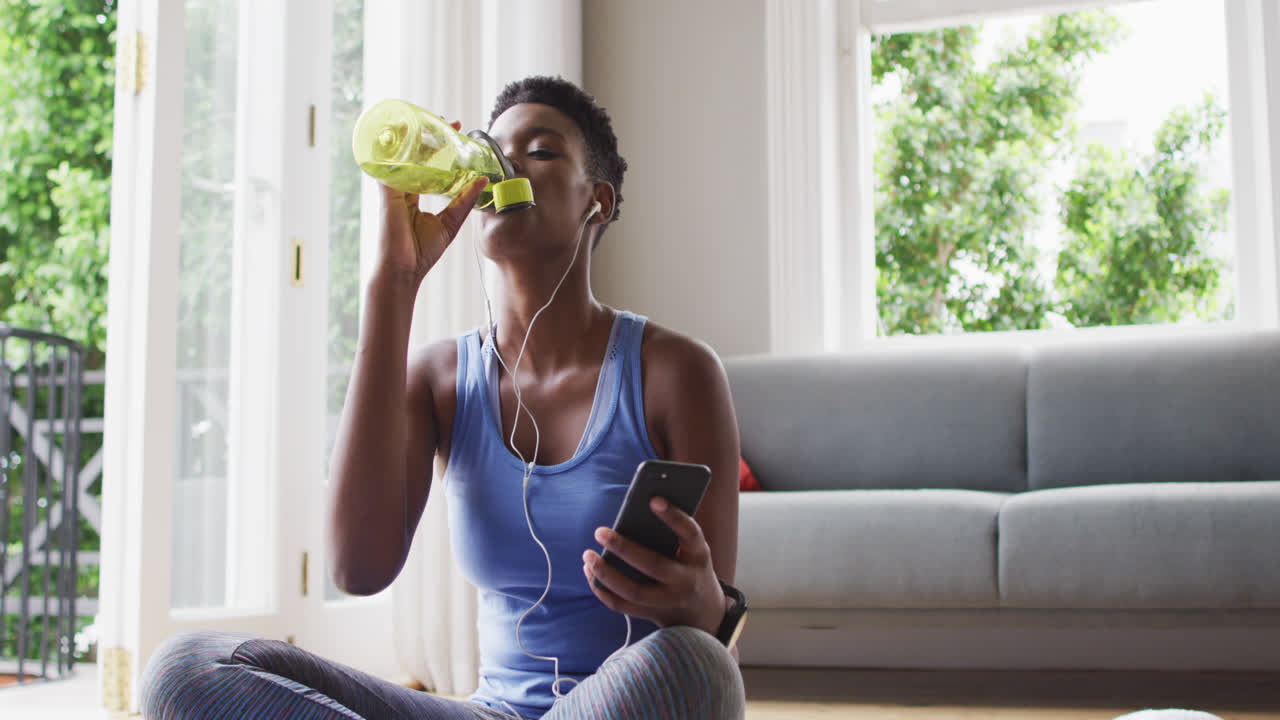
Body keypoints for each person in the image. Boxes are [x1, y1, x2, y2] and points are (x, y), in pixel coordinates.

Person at [139, 76, 747, 720]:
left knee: (696, 665)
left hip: (628, 699)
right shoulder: (439, 378)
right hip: (491, 712)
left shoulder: (675, 371)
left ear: (596, 200)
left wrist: (703, 606)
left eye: (538, 152)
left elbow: (714, 637)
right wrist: (394, 283)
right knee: (185, 670)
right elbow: (357, 569)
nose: (501, 166)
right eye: (492, 149)